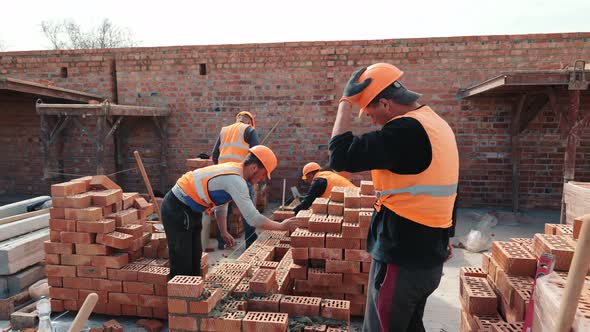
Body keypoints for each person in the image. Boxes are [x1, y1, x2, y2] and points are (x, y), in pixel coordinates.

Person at [329, 63, 459, 332]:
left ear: (386, 104)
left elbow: (339, 159)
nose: (371, 120)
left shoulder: (404, 132)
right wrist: (445, 236)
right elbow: (447, 184)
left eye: (370, 112)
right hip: (428, 254)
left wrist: (345, 103)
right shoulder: (436, 123)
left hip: (403, 256)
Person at [161, 145, 301, 278]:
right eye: (263, 174)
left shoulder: (236, 171)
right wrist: (281, 226)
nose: (262, 179)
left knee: (194, 258)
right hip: (177, 207)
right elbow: (253, 219)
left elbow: (221, 205)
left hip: (190, 208)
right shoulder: (236, 180)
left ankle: (192, 298)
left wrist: (223, 231)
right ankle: (179, 298)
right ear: (253, 168)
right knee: (182, 262)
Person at [211, 111, 260, 249]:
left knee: (223, 208)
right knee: (247, 208)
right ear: (250, 122)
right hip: (240, 175)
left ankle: (223, 242)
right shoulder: (250, 130)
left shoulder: (224, 130)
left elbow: (215, 155)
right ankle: (250, 242)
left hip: (222, 174)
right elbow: (256, 154)